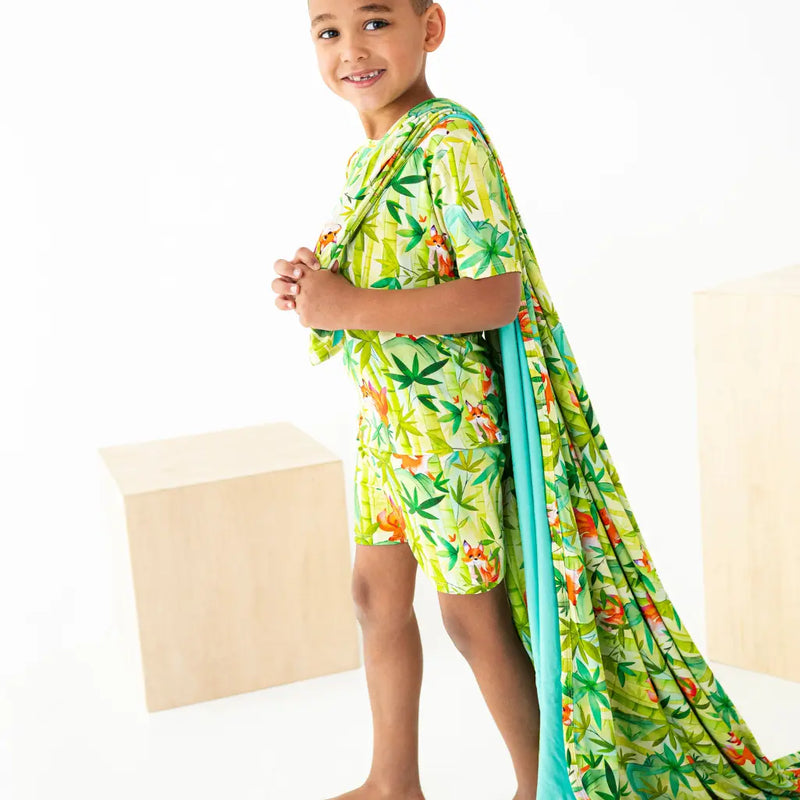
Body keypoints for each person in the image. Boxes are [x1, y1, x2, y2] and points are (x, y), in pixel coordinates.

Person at [271, 2, 800, 800]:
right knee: (374, 596)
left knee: (470, 615)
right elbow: (395, 272)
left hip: (446, 425)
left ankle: (538, 787)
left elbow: (494, 294)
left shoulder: (448, 143)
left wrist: (348, 305)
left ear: (430, 28)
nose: (352, 49)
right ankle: (392, 783)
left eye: (375, 22)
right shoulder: (369, 158)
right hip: (386, 422)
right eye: (329, 31)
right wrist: (316, 285)